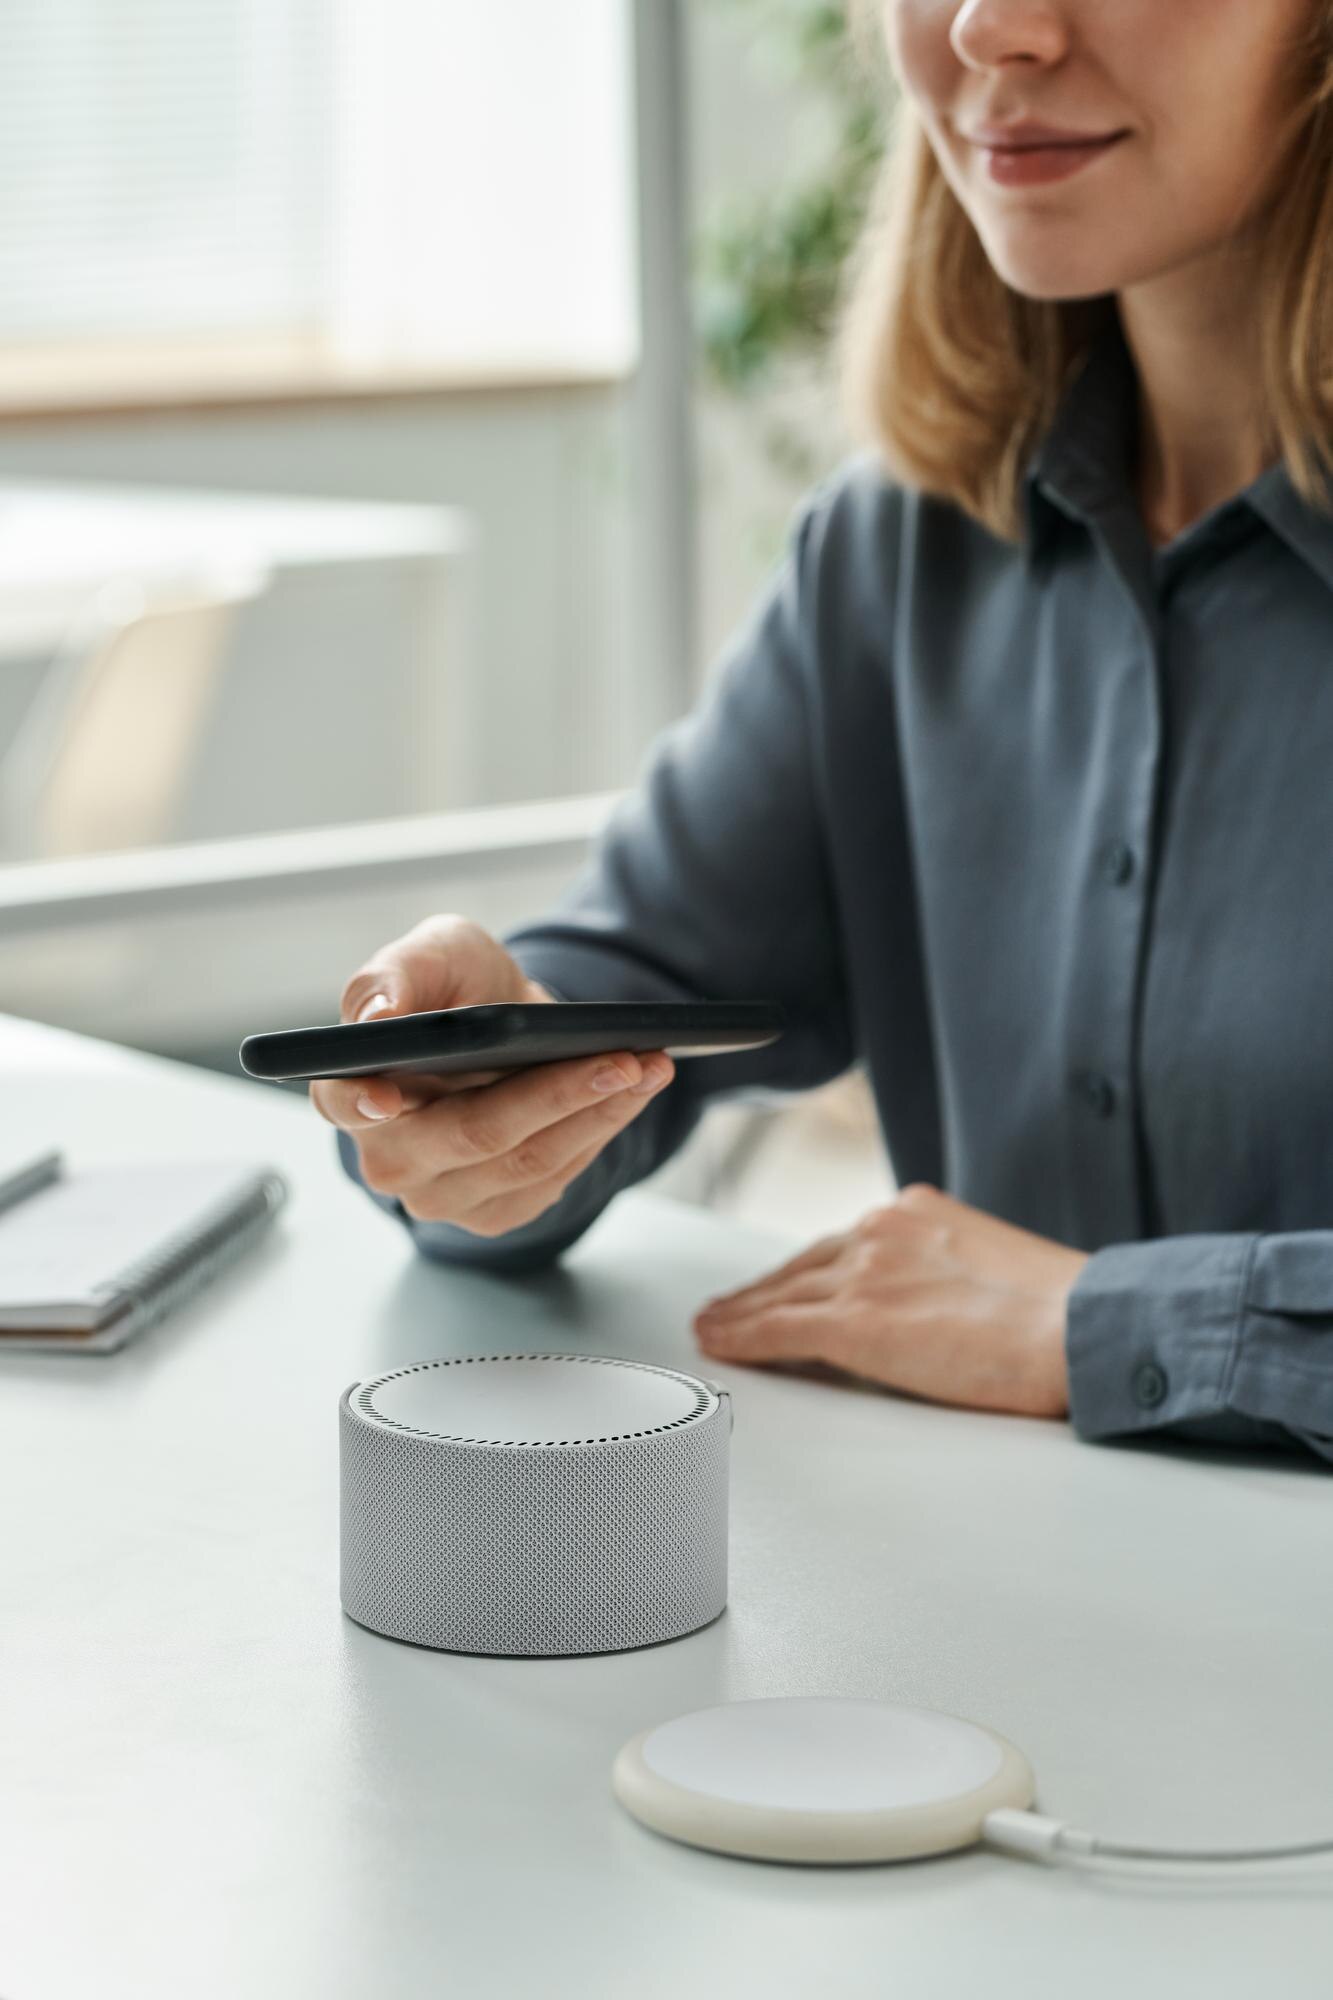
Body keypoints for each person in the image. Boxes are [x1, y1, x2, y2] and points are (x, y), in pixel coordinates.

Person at [317, 0, 1333, 1465]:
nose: (989, 27)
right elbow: (641, 977)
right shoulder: (901, 549)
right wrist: (478, 1093)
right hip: (1009, 1625)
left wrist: (1096, 1326)